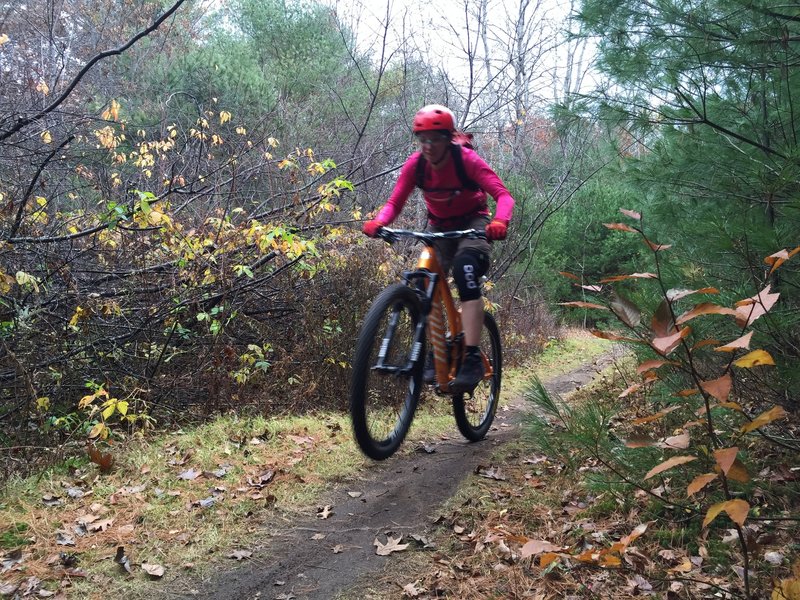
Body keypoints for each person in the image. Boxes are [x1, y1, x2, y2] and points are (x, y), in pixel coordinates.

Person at [362, 104, 515, 393]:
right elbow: (395, 202)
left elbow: (503, 195)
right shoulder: (416, 164)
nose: (428, 146)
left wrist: (500, 221)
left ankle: (470, 356)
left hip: (473, 223)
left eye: (435, 139)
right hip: (439, 227)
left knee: (465, 269)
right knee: (422, 280)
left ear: (448, 138)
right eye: (423, 139)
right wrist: (379, 221)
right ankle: (437, 351)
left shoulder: (467, 160)